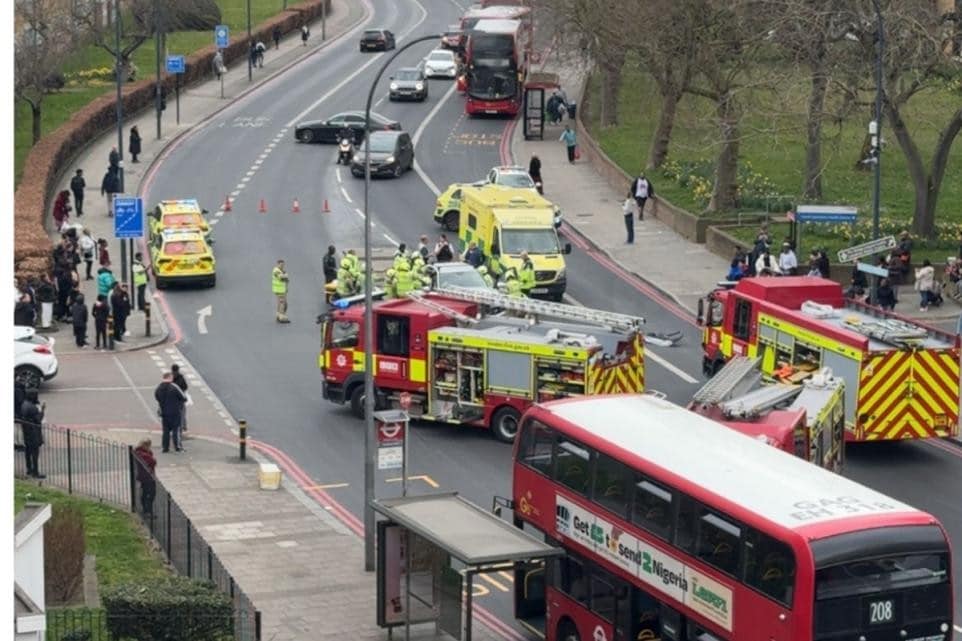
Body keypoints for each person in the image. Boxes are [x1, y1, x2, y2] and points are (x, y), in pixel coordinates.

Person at [155, 372, 186, 453]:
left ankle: (165, 448)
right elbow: (183, 397)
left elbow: (157, 397)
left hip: (164, 413)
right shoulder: (174, 387)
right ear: (170, 377)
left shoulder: (158, 388)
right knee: (176, 430)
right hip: (175, 412)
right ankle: (177, 447)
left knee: (166, 431)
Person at [20, 388, 45, 478]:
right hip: (33, 432)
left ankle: (29, 469)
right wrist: (42, 410)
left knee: (28, 451)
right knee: (35, 452)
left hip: (26, 432)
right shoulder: (32, 408)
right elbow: (39, 419)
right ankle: (35, 472)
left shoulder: (24, 404)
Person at [133, 439, 157, 517]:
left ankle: (146, 509)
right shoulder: (144, 455)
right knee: (151, 494)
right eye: (149, 445)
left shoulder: (138, 452)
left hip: (143, 476)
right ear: (146, 445)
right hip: (148, 476)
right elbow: (153, 462)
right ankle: (148, 511)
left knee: (145, 493)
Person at [171, 363, 189, 434]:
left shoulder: (176, 378)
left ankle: (181, 427)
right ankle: (181, 427)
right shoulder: (180, 378)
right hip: (175, 400)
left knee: (181, 414)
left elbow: (185, 387)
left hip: (177, 400)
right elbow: (185, 387)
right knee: (180, 414)